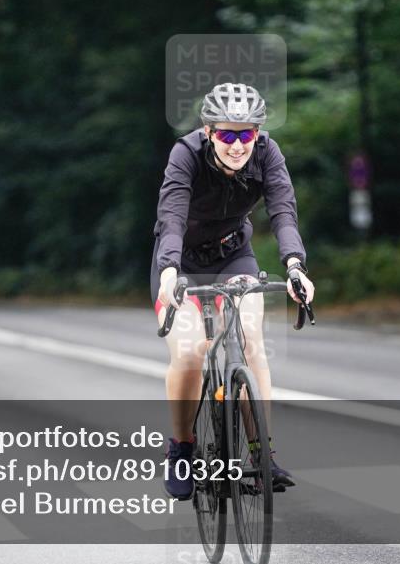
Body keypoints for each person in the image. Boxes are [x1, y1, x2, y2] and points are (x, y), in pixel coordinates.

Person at [152, 82, 315, 500]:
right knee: (191, 351)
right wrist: (168, 271)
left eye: (247, 134)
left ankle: (262, 454)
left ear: (257, 133)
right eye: (227, 134)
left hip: (233, 256)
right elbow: (172, 216)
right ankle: (181, 448)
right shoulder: (185, 154)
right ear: (209, 132)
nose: (238, 144)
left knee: (251, 339)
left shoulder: (267, 154)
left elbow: (283, 212)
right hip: (181, 262)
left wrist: (295, 267)